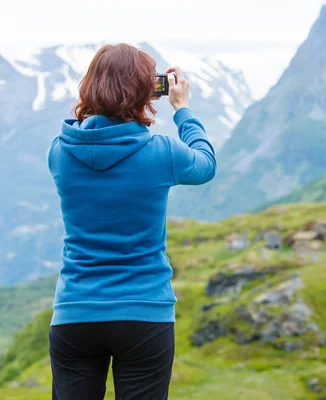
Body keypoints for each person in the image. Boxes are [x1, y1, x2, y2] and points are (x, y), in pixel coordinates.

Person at [47, 43, 216, 400]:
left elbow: (91, 135)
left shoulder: (59, 152)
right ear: (144, 91)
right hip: (144, 312)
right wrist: (182, 110)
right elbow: (205, 165)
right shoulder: (161, 152)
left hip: (75, 311)